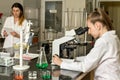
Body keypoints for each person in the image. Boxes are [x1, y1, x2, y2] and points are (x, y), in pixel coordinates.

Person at [53, 8, 120, 80]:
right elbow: (92, 58)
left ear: (98, 26)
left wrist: (61, 63)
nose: (89, 32)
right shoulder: (113, 38)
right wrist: (75, 59)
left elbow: (85, 66)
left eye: (89, 28)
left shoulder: (103, 41)